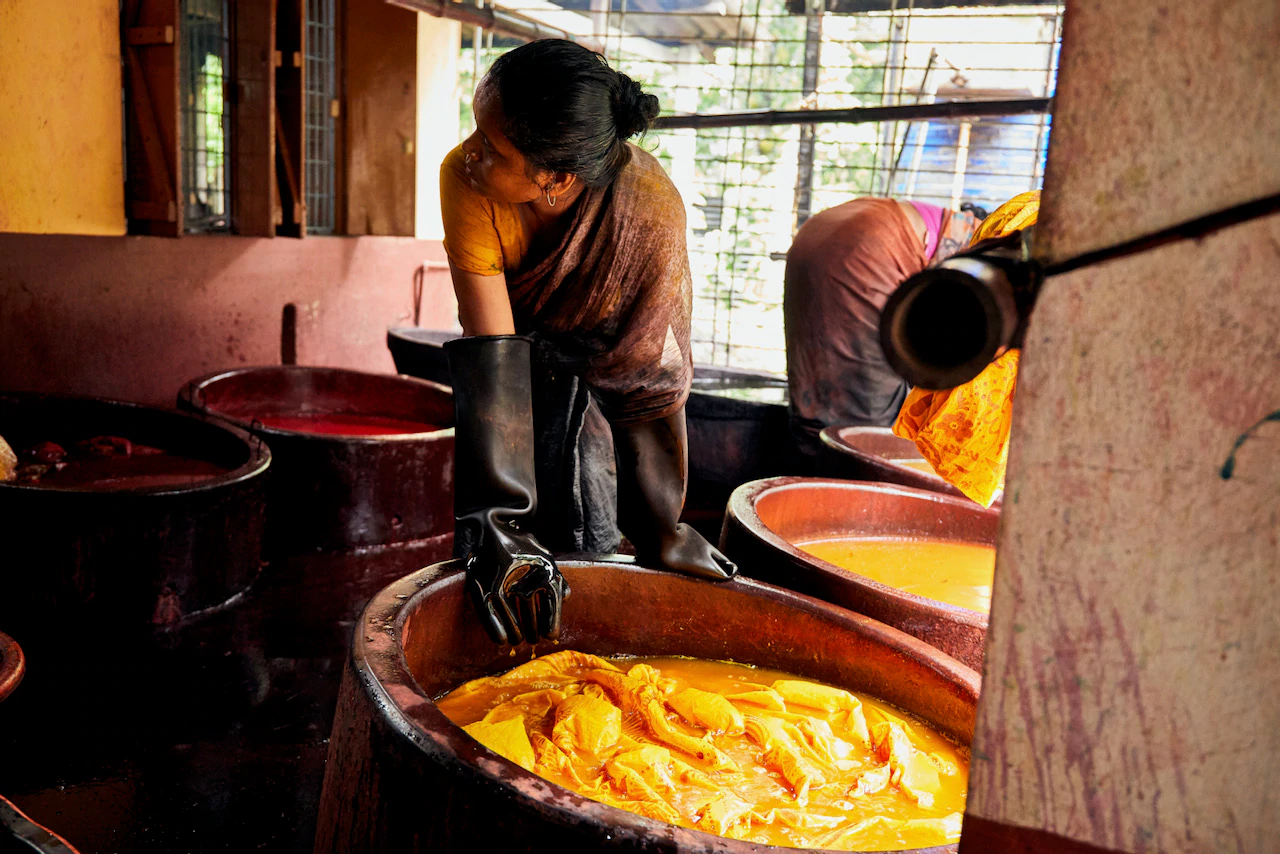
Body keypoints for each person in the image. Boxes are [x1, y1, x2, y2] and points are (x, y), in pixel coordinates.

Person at [439, 39, 736, 648]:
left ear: (555, 177)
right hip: (518, 384)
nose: (470, 152)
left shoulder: (647, 211)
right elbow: (495, 348)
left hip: (609, 393)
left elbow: (648, 377)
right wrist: (500, 525)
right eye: (477, 131)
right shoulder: (465, 177)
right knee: (495, 565)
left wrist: (662, 527)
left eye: (492, 148)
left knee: (591, 535)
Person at [783, 198, 984, 467]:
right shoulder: (988, 241)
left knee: (818, 386)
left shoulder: (952, 223)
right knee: (864, 421)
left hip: (820, 232)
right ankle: (834, 492)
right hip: (865, 246)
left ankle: (799, 484)